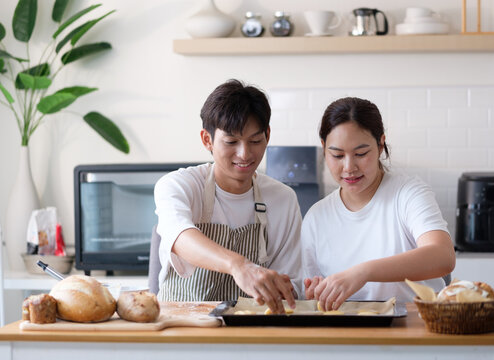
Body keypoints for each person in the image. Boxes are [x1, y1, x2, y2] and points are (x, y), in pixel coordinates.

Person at [154, 79, 302, 313]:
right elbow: (179, 235)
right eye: (231, 142)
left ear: (268, 136)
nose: (244, 154)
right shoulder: (178, 185)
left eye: (255, 141)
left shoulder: (283, 199)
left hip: (251, 332)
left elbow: (290, 281)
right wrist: (238, 265)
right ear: (207, 140)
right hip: (182, 327)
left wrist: (287, 288)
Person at [302, 97, 455, 310]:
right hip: (350, 335)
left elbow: (443, 256)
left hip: (416, 328)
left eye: (361, 154)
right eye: (337, 155)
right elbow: (310, 294)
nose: (349, 167)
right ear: (324, 148)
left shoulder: (407, 194)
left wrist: (363, 272)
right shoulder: (316, 217)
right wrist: (316, 295)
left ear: (381, 144)